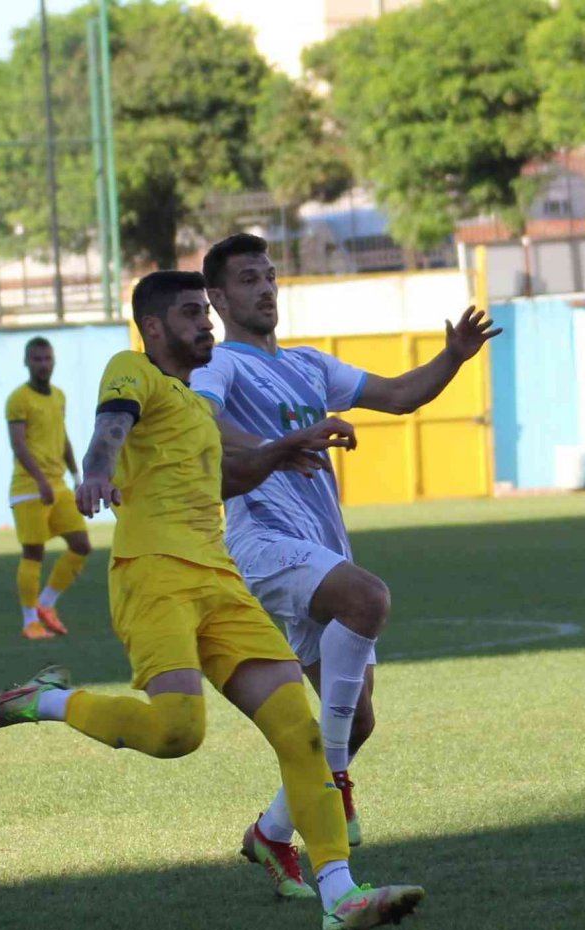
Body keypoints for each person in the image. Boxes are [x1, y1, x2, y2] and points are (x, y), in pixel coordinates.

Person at [0, 270, 424, 930]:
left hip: (219, 582)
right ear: (155, 326)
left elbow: (227, 476)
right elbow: (113, 424)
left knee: (301, 735)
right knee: (176, 733)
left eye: (206, 313)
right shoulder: (129, 368)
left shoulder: (194, 407)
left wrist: (284, 448)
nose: (206, 324)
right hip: (153, 575)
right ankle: (46, 699)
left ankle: (340, 893)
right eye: (193, 313)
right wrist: (99, 468)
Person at [190, 233, 500, 896]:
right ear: (217, 297)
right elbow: (199, 423)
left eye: (270, 275)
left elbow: (397, 396)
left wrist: (451, 358)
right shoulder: (221, 368)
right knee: (369, 600)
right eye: (248, 279)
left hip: (319, 547)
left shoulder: (307, 365)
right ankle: (330, 790)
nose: (266, 288)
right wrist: (281, 444)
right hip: (265, 542)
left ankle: (271, 833)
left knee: (357, 720)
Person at [5, 335, 91, 640]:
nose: (43, 364)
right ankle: (30, 622)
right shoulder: (19, 399)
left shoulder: (59, 396)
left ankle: (45, 604)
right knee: (34, 552)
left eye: (47, 359)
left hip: (57, 485)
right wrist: (41, 480)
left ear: (53, 361)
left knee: (81, 545)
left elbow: (62, 436)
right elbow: (18, 444)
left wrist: (76, 474)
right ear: (27, 362)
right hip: (30, 487)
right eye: (37, 359)